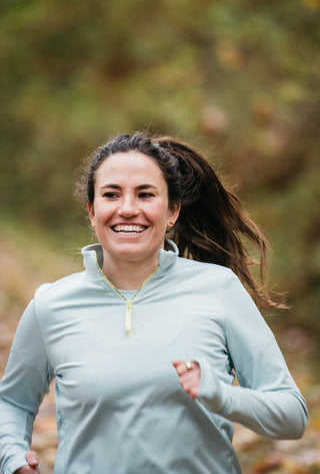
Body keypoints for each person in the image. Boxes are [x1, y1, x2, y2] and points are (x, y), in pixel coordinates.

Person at [0, 132, 308, 474]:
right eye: (111, 194)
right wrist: (12, 459)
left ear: (172, 210)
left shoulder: (218, 289)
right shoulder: (51, 305)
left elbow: (292, 416)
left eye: (145, 194)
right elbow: (12, 402)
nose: (128, 209)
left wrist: (220, 394)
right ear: (91, 211)